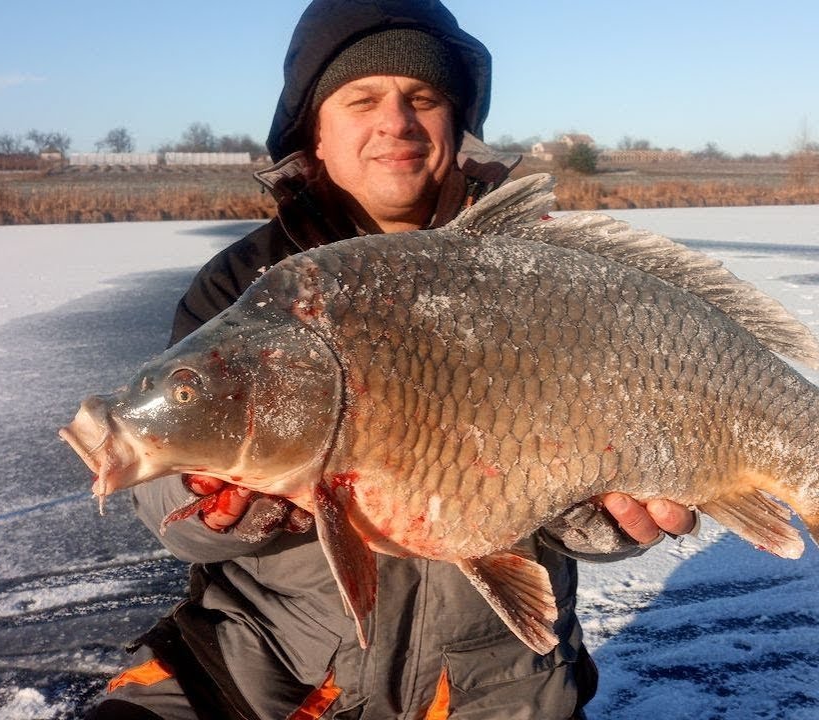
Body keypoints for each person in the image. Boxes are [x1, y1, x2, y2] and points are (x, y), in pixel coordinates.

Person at [85, 1, 697, 718]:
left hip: (496, 685)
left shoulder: (541, 275)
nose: (398, 123)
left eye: (424, 99)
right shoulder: (246, 287)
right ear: (315, 127)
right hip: (267, 667)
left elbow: (621, 467)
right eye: (363, 100)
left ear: (454, 123)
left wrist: (599, 521)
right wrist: (214, 501)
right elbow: (166, 504)